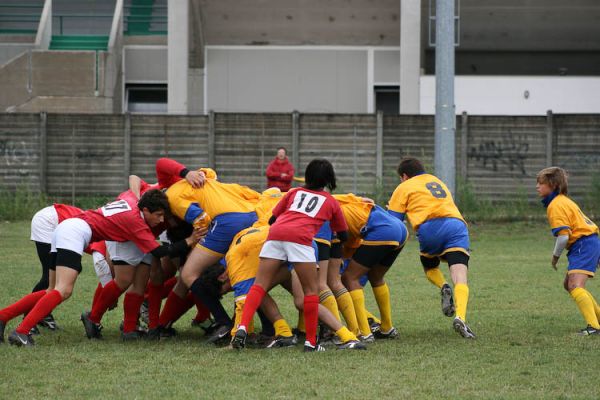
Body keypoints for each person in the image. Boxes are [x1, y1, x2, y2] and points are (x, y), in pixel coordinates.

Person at [3, 190, 194, 346]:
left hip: (65, 228)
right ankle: (21, 332)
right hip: (76, 232)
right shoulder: (134, 220)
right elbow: (159, 252)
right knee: (64, 290)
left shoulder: (132, 202)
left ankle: (3, 317)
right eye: (159, 215)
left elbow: (132, 186)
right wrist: (190, 240)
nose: (162, 220)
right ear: (145, 210)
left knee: (51, 290)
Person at [232, 159, 352, 352]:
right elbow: (344, 235)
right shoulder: (330, 201)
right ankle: (311, 342)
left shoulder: (294, 192)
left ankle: (243, 327)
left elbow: (272, 218)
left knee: (259, 285)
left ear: (307, 175)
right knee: (311, 292)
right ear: (329, 179)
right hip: (300, 239)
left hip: (275, 234)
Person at [387, 157, 475, 339]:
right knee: (460, 276)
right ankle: (461, 317)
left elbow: (393, 222)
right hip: (456, 225)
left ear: (404, 176)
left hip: (429, 228)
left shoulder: (404, 187)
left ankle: (443, 285)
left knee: (430, 266)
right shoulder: (437, 181)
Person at [336, 193, 408, 341]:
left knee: (350, 278)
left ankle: (364, 332)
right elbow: (349, 251)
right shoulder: (347, 203)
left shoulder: (328, 210)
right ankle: (386, 327)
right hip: (399, 228)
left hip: (382, 230)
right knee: (376, 276)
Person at [536, 167, 600, 335]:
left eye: (541, 183)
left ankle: (593, 327)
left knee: (574, 284)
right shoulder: (563, 200)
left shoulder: (556, 205)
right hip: (588, 242)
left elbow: (563, 237)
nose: (537, 187)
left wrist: (555, 258)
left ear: (552, 185)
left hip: (583, 243)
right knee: (569, 285)